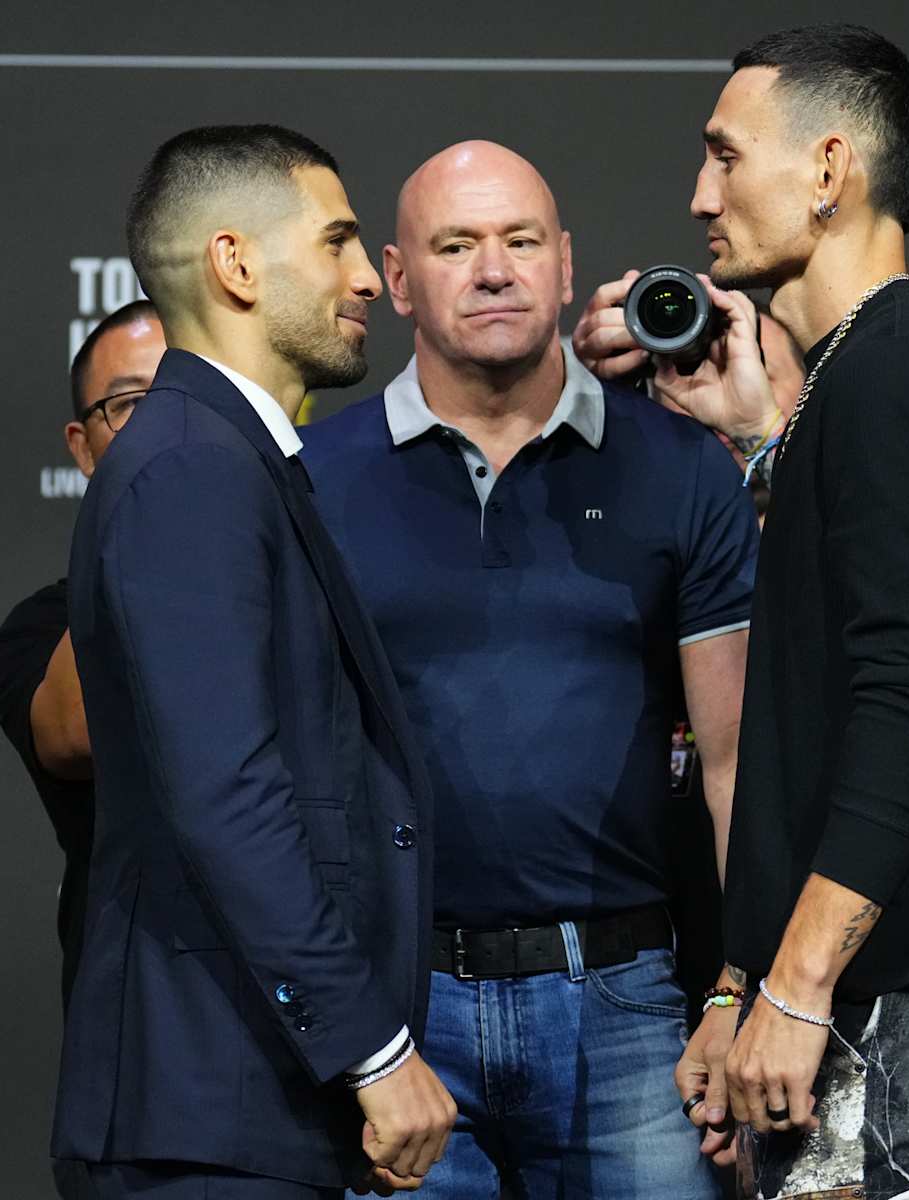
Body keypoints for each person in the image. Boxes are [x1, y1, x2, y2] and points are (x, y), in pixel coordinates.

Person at [575, 23, 909, 1197]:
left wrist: (795, 988)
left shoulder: (903, 376)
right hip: (858, 985)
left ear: (829, 170)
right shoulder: (855, 383)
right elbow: (820, 715)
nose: (700, 195)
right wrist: (742, 988)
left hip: (894, 988)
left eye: (726, 155)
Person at [301, 140, 756, 1199]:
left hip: (631, 1006)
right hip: (401, 1021)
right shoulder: (312, 481)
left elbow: (736, 762)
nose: (494, 271)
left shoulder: (681, 466)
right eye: (456, 246)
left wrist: (740, 989)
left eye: (520, 241)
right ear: (398, 279)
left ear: (565, 264)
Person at [51, 124, 455, 1200]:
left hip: (243, 1101)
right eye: (336, 241)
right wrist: (372, 1049)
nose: (366, 277)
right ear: (234, 263)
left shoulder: (229, 457)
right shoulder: (191, 467)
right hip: (203, 1108)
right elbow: (226, 792)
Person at [0, 299, 164, 1009]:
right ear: (83, 447)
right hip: (137, 995)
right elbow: (80, 732)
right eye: (132, 406)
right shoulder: (42, 626)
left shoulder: (307, 586)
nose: (164, 425)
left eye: (187, 397)